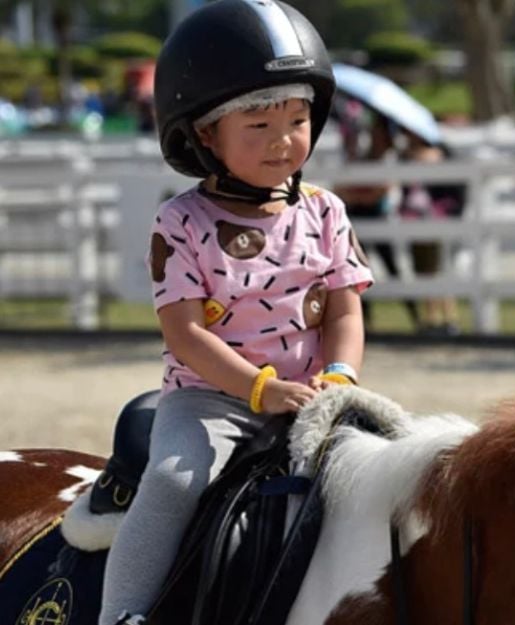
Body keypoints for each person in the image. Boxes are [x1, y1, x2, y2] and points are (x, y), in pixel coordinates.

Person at [99, 2, 373, 624]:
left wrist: (340, 377)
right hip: (210, 403)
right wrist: (260, 389)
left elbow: (343, 312)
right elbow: (186, 334)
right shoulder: (181, 223)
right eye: (258, 125)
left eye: (298, 120)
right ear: (203, 134)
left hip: (315, 398)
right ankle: (121, 614)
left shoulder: (326, 212)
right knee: (172, 482)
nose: (284, 141)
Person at [334, 107, 420, 329]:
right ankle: (366, 320)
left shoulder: (387, 157)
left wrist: (359, 193)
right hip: (361, 214)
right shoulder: (361, 155)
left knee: (392, 267)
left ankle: (415, 315)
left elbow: (378, 191)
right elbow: (342, 187)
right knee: (358, 268)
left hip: (379, 215)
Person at [399, 131, 463, 335]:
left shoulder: (440, 151)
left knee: (441, 268)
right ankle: (432, 317)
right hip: (415, 217)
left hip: (439, 216)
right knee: (424, 269)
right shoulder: (405, 154)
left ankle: (450, 317)